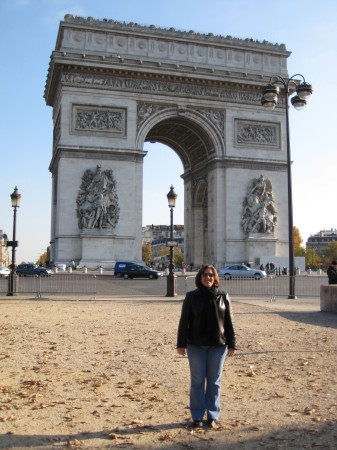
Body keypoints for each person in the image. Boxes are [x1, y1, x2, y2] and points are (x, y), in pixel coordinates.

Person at [177, 264, 237, 428]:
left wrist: (233, 343)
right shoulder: (191, 297)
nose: (208, 277)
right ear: (200, 278)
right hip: (196, 345)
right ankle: (197, 416)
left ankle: (212, 415)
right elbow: (184, 322)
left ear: (215, 277)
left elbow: (229, 322)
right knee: (197, 381)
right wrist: (181, 344)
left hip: (218, 345)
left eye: (210, 275)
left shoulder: (224, 296)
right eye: (204, 275)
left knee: (214, 381)